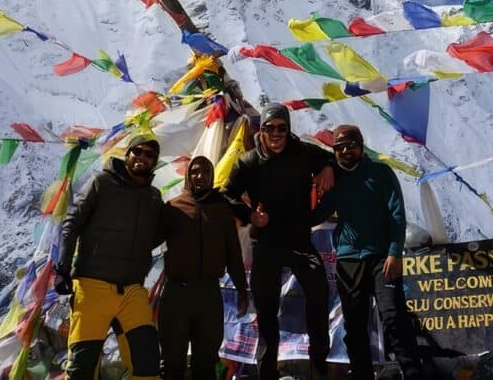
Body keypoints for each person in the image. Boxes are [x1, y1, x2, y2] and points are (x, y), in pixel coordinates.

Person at [221, 103, 335, 380]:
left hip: (299, 240)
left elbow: (332, 162)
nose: (276, 134)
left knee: (319, 298)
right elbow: (227, 193)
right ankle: (267, 373)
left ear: (288, 129)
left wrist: (328, 167)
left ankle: (320, 372)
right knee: (267, 313)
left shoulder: (304, 152)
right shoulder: (247, 162)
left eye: (281, 128)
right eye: (269, 128)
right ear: (261, 131)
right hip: (266, 243)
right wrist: (249, 216)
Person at [312, 125, 427, 379]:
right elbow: (316, 215)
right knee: (354, 327)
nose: (346, 152)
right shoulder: (335, 180)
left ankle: (413, 372)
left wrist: (395, 253)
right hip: (348, 261)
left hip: (382, 258)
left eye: (351, 146)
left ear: (361, 147)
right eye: (340, 148)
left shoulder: (380, 173)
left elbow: (397, 215)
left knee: (393, 317)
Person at [55, 134, 164, 380]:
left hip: (133, 291)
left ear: (154, 161)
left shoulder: (154, 197)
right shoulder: (100, 182)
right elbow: (72, 223)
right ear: (127, 154)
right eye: (138, 151)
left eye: (149, 155)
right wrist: (62, 268)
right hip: (92, 286)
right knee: (82, 366)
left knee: (147, 362)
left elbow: (153, 237)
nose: (142, 158)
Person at [158, 156, 249, 380]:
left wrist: (241, 289)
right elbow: (150, 243)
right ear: (188, 176)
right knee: (172, 360)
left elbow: (233, 253)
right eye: (195, 171)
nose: (200, 176)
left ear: (211, 175)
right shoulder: (173, 208)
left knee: (206, 360)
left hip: (208, 294)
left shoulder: (222, 210)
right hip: (176, 294)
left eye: (205, 171)